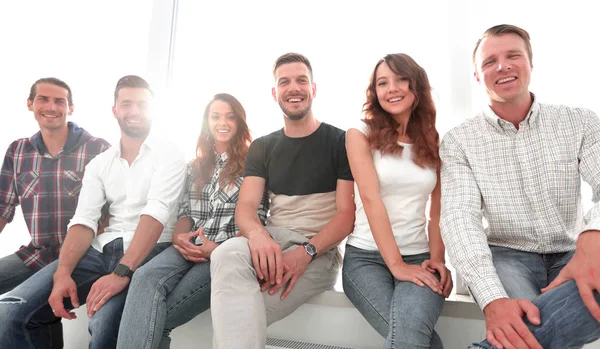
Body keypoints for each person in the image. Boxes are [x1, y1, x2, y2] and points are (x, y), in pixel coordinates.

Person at [440, 24, 600, 349]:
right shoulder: (459, 140)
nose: (502, 66)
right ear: (477, 76)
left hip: (572, 249)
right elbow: (459, 219)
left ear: (530, 63)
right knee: (527, 322)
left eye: (513, 55)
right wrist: (491, 299)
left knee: (528, 328)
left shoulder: (581, 122)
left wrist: (592, 239)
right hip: (506, 255)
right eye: (489, 62)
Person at [0, 75, 186, 349]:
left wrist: (121, 272)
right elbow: (84, 220)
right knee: (12, 313)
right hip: (99, 251)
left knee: (103, 326)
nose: (134, 111)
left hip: (147, 252)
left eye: (141, 104)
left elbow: (155, 213)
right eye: (126, 104)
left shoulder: (169, 152)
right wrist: (63, 273)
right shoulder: (101, 162)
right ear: (115, 110)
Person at [209, 52, 355, 349]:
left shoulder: (340, 142)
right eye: (284, 82)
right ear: (275, 93)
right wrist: (259, 236)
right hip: (272, 241)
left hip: (318, 251)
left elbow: (346, 216)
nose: (294, 88)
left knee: (240, 316)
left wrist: (306, 252)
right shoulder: (263, 146)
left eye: (302, 80)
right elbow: (246, 208)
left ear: (313, 89)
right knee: (224, 254)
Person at [116, 93, 268, 349]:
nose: (223, 122)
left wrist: (216, 251)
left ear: (239, 123)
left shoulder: (253, 165)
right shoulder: (193, 167)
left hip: (223, 252)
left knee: (158, 316)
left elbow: (257, 219)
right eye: (216, 116)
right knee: (143, 276)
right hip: (188, 247)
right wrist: (179, 237)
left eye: (230, 117)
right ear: (206, 122)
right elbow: (185, 212)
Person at [342, 53, 452, 349]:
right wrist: (396, 264)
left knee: (414, 337)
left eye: (401, 79)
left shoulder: (432, 140)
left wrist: (438, 259)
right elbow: (370, 199)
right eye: (382, 82)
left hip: (420, 257)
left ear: (416, 86)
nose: (392, 88)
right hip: (366, 259)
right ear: (375, 93)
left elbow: (438, 212)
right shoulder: (359, 134)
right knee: (415, 339)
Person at [0, 77, 110, 294]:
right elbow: (3, 206)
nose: (51, 107)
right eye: (43, 99)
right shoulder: (18, 151)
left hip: (85, 256)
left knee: (15, 310)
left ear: (71, 108)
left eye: (59, 101)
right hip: (36, 255)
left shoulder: (98, 149)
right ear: (30, 103)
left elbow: (116, 209)